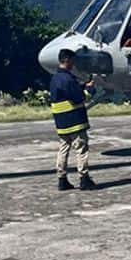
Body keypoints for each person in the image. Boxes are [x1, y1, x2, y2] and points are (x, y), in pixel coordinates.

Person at [49, 48, 96, 191]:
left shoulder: (55, 78)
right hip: (75, 121)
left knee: (63, 149)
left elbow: (66, 92)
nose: (73, 65)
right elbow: (79, 98)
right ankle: (84, 178)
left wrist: (80, 86)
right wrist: (90, 90)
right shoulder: (69, 79)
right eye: (73, 61)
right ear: (68, 60)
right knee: (81, 149)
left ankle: (62, 179)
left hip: (61, 123)